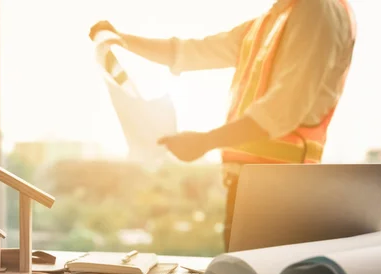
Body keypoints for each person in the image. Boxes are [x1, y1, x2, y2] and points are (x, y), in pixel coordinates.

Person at [89, 0, 357, 251]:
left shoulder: (317, 10)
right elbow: (192, 52)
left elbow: (279, 112)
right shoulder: (274, 20)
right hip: (255, 188)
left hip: (281, 193)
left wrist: (204, 142)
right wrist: (121, 40)